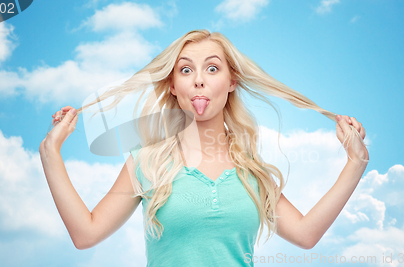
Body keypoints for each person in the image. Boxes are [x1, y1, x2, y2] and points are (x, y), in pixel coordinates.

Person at [39, 29, 369, 266]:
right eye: (186, 70)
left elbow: (305, 235)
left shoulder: (251, 170)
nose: (199, 79)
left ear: (231, 81)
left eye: (212, 68)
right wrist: (50, 154)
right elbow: (86, 234)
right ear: (172, 85)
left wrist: (355, 162)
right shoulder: (147, 162)